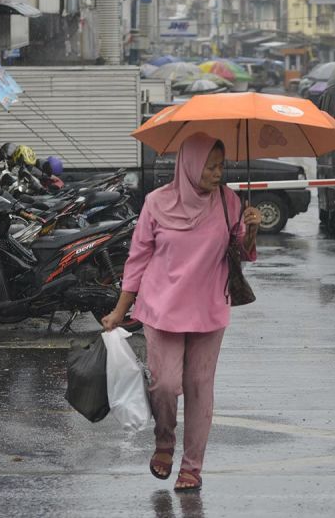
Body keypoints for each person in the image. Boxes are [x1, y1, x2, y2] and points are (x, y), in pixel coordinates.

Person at [101, 132, 262, 492]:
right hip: (162, 308)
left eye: (221, 166)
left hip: (209, 308)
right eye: (210, 166)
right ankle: (164, 441)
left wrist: (251, 230)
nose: (218, 173)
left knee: (199, 388)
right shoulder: (156, 203)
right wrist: (118, 311)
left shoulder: (229, 202)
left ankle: (192, 467)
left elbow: (241, 252)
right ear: (189, 165)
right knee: (165, 385)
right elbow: (137, 259)